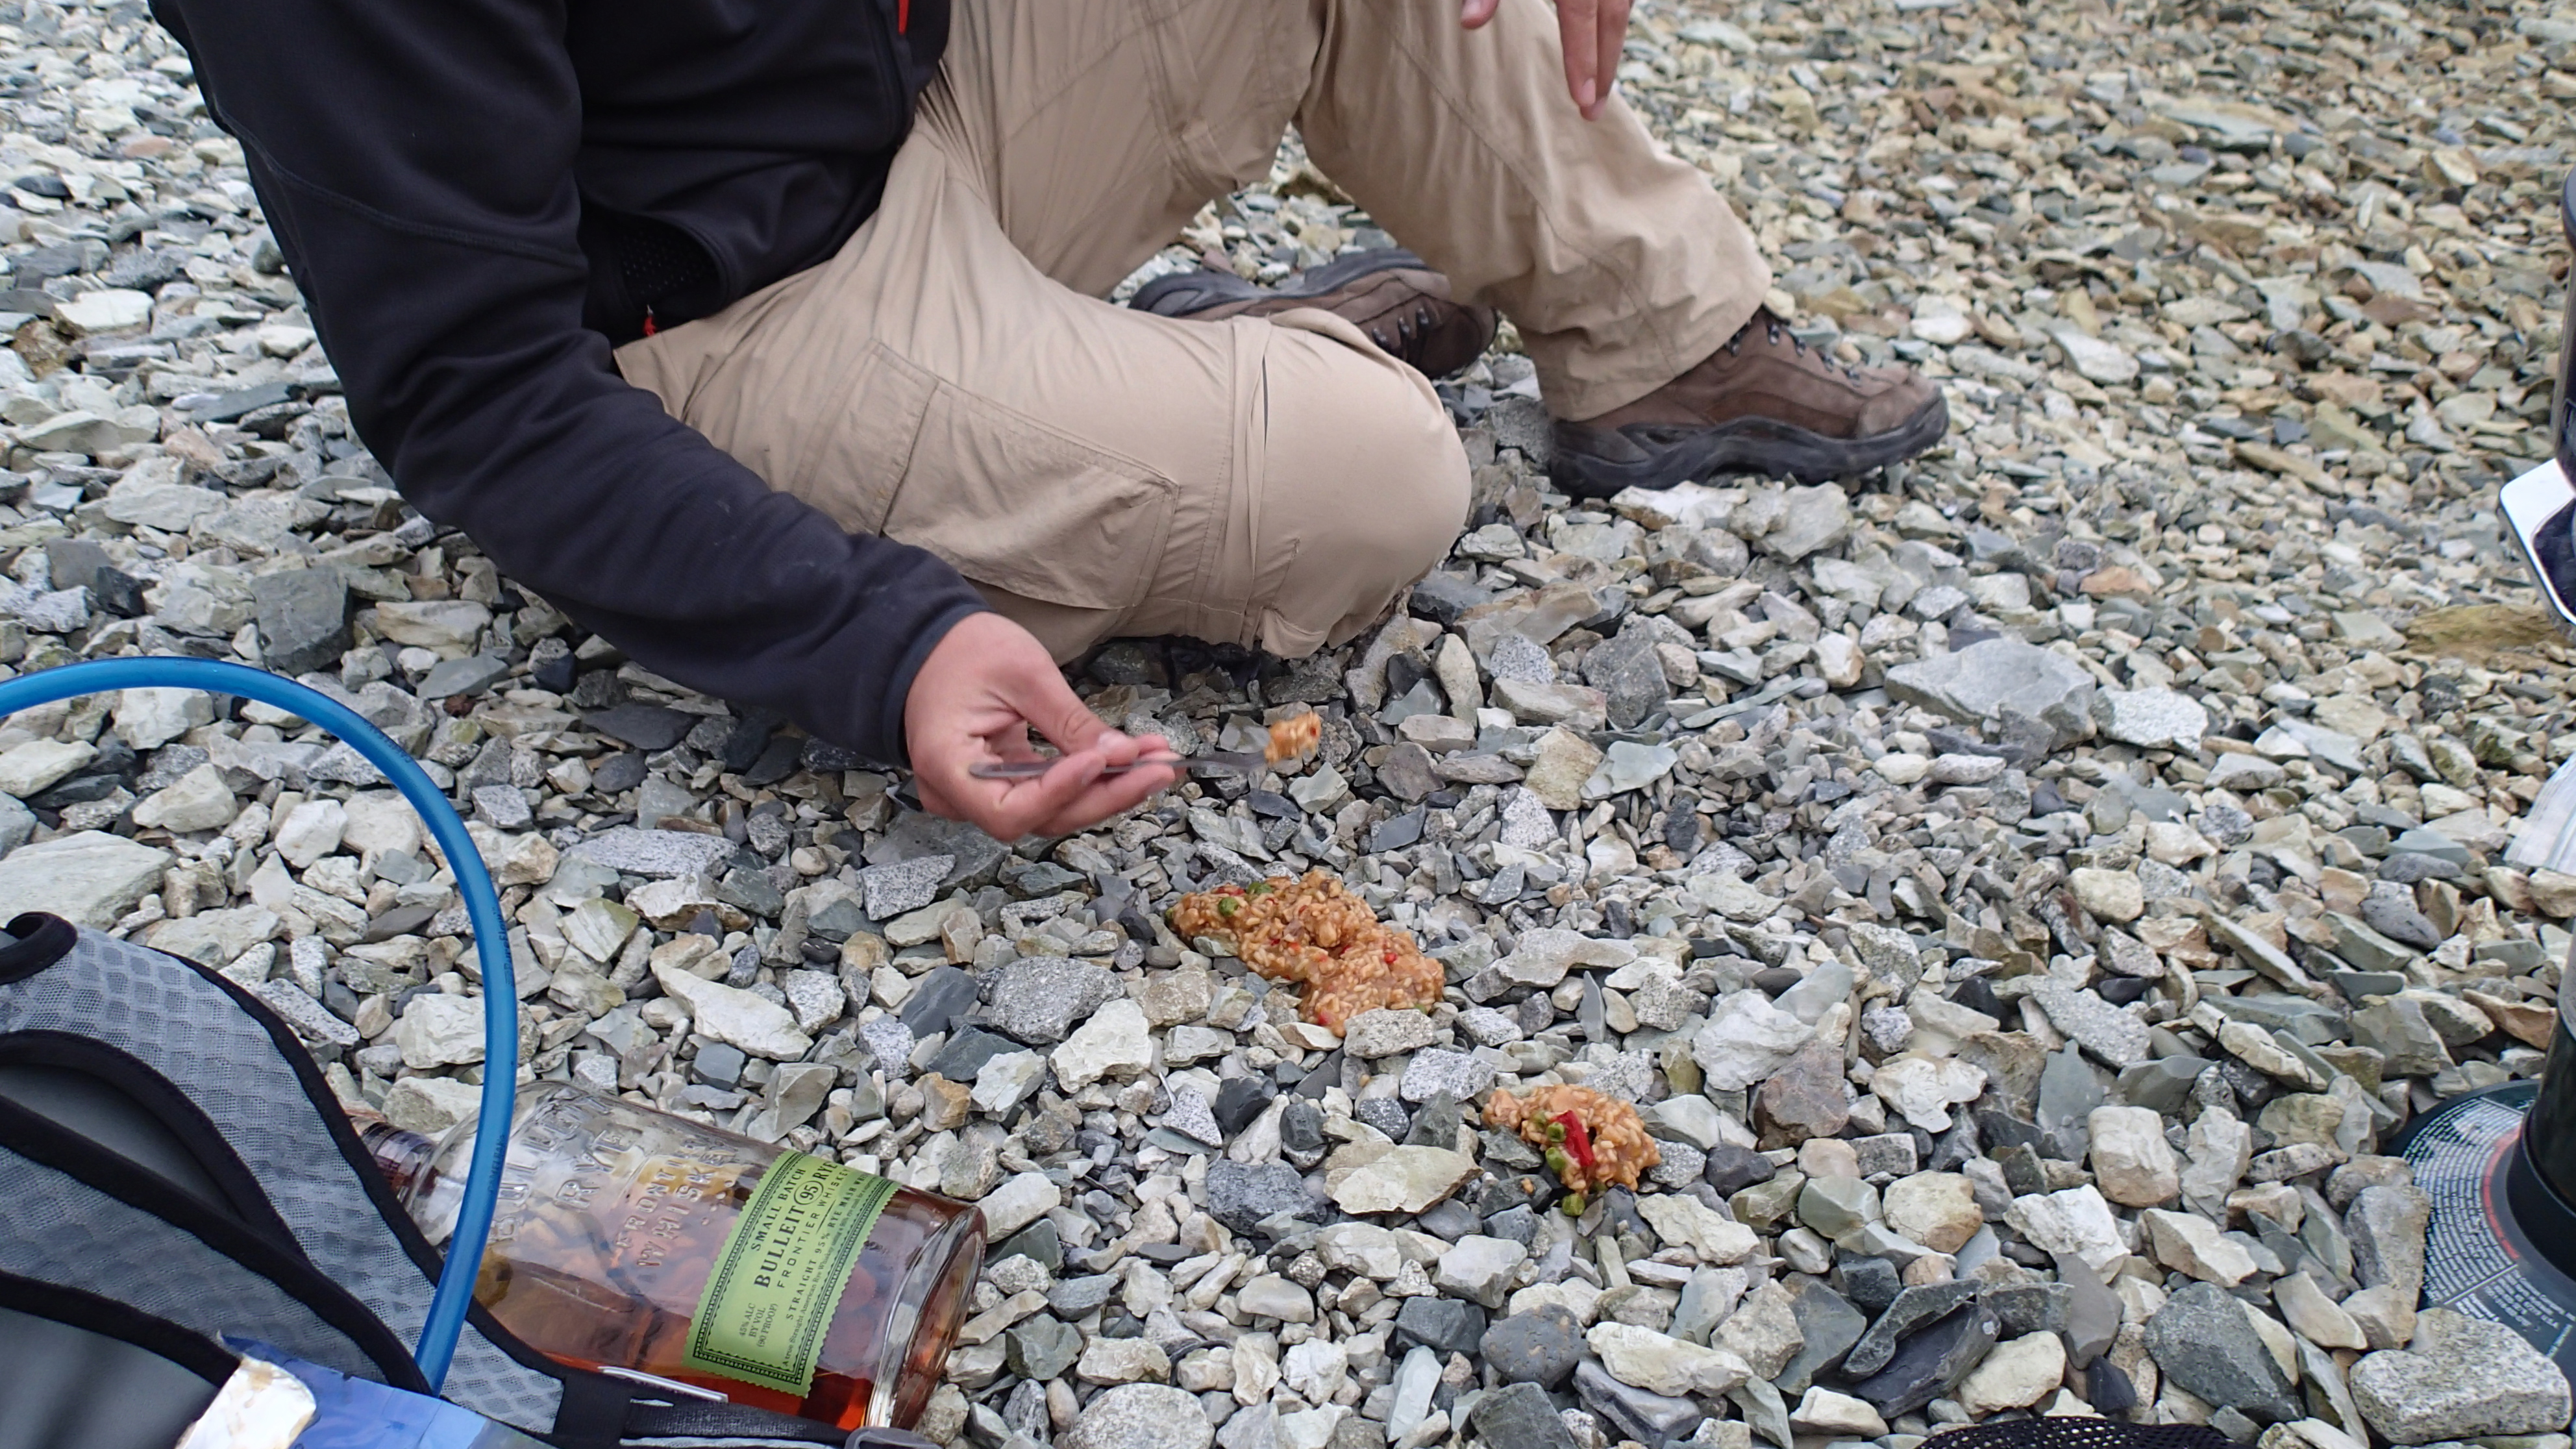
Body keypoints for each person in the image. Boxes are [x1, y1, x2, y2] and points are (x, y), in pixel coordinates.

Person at [147, 0, 1948, 843]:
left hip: (904, 111)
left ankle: (1656, 340)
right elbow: (476, 392)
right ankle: (1190, 381)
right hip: (712, 324)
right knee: (1384, 473)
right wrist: (881, 641)